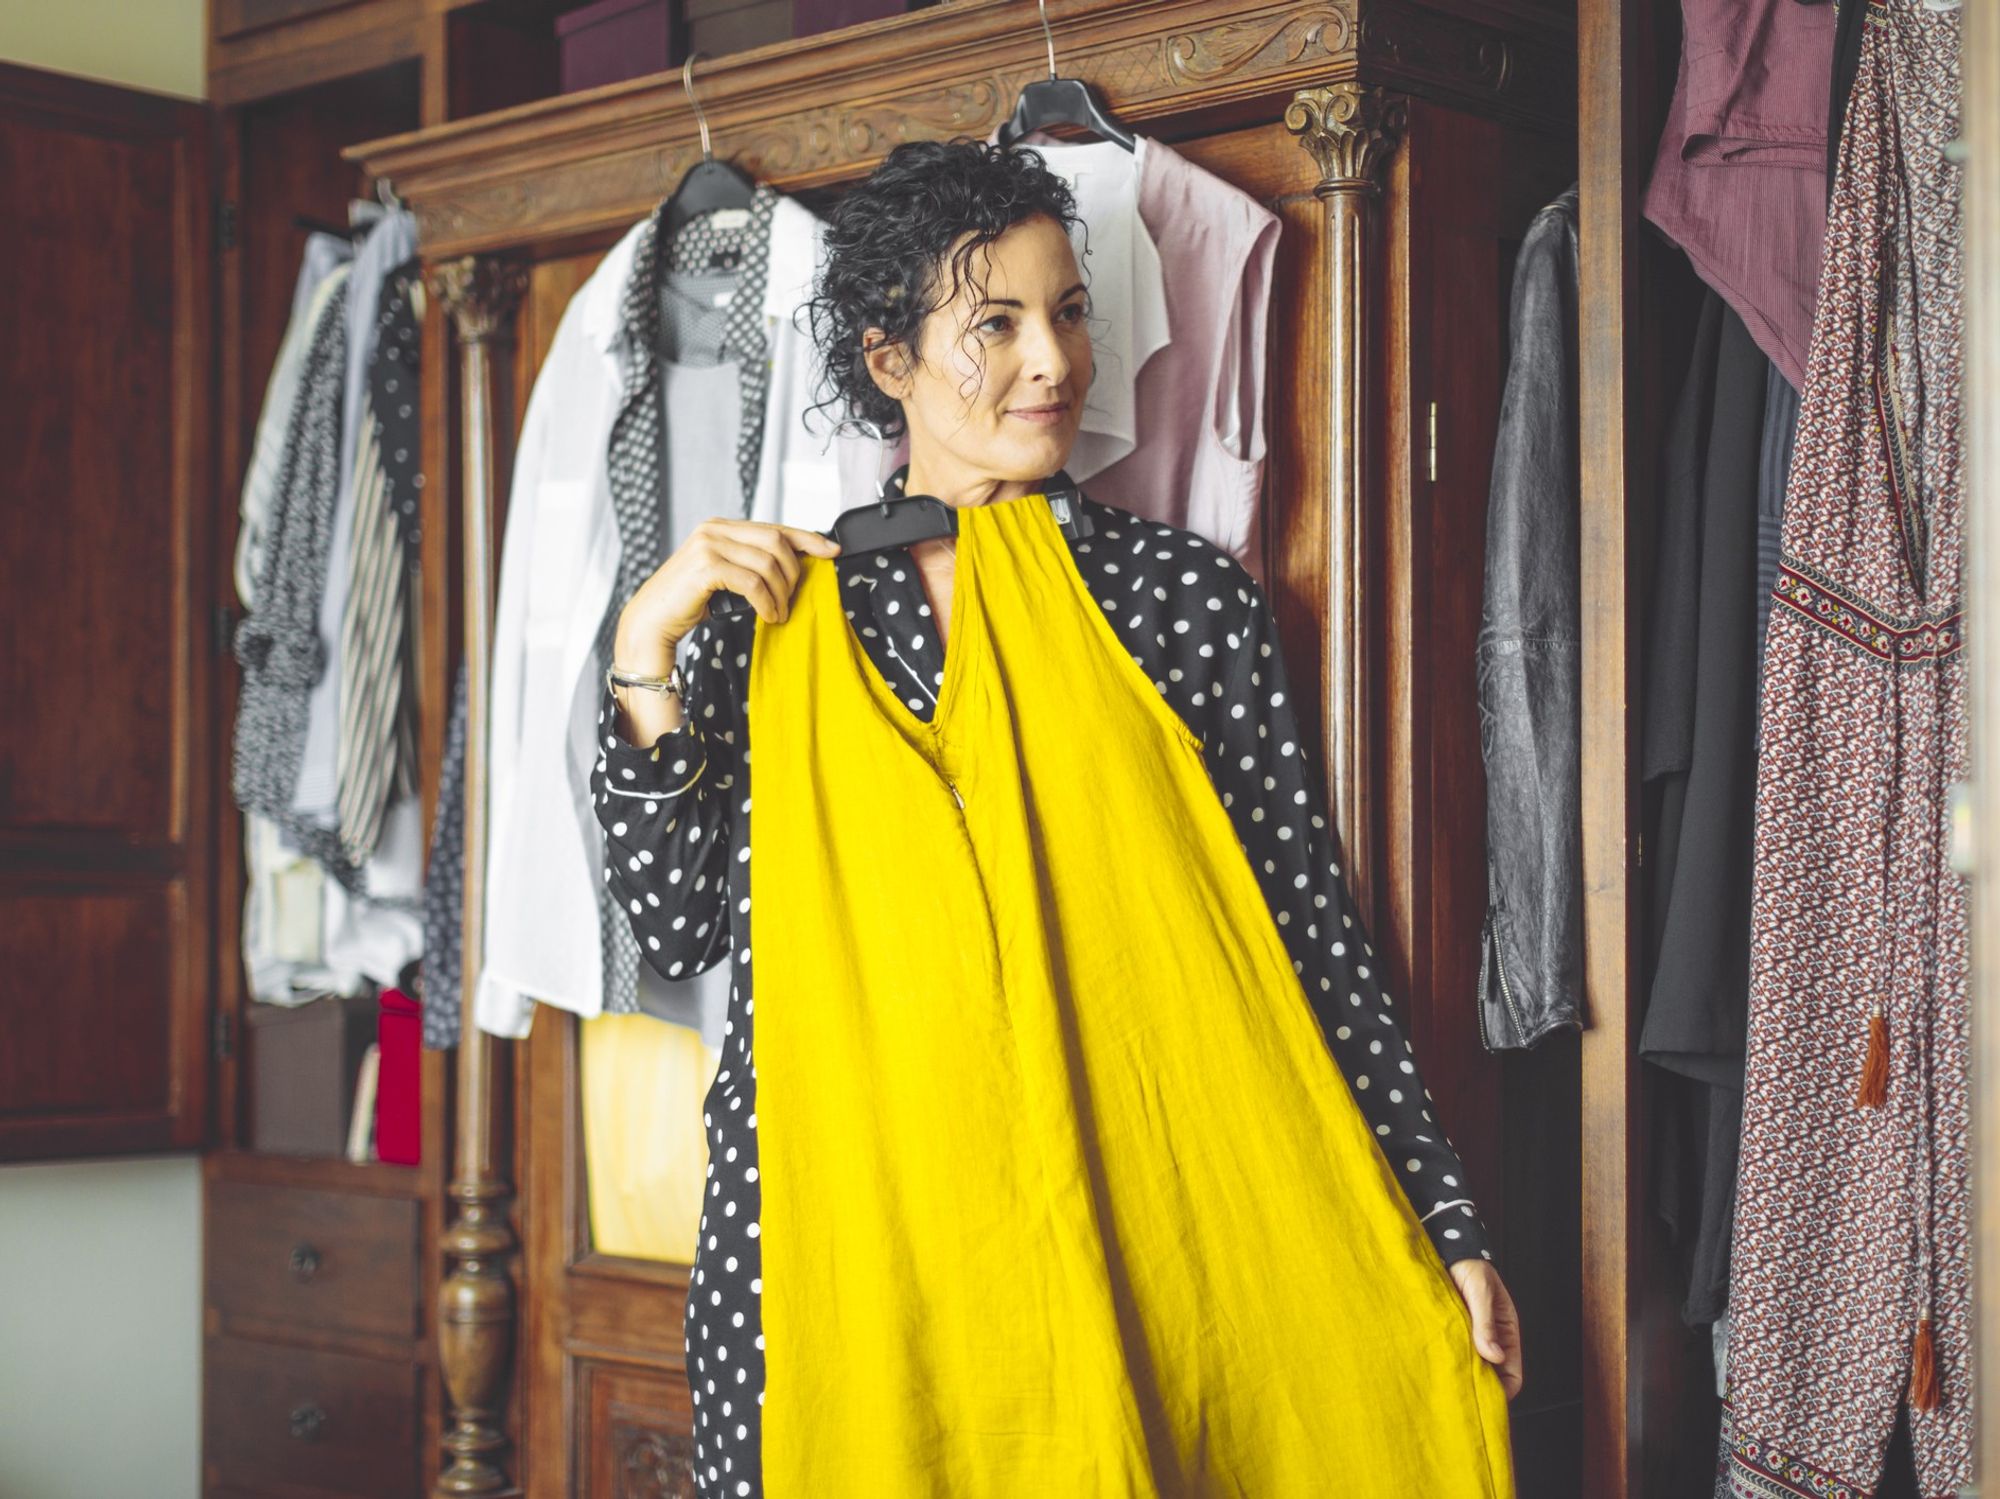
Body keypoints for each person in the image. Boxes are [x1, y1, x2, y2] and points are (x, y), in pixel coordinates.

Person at [595, 140, 1523, 1497]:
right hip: (846, 1241)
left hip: (1129, 1214)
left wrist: (1446, 1221)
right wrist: (644, 643)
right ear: (887, 360)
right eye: (997, 323)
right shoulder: (770, 624)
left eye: (1071, 311)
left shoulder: (1173, 602)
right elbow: (674, 926)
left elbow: (1306, 936)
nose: (1054, 361)